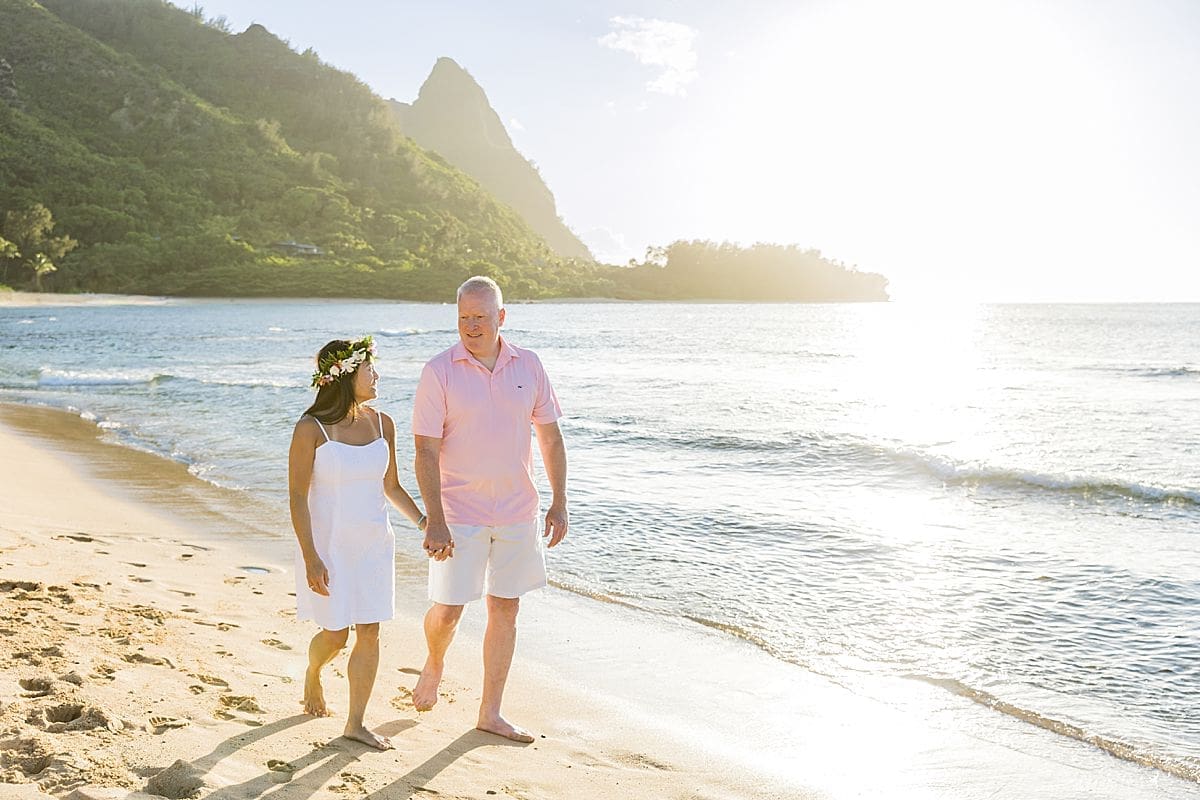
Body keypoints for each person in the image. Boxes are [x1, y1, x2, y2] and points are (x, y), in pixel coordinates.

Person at [411, 276, 569, 743]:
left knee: (506, 608)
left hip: (518, 510)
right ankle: (435, 662)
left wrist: (559, 502)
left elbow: (551, 437)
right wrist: (434, 519)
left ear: (501, 317)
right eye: (463, 318)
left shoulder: (531, 365)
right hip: (459, 513)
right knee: (449, 610)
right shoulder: (439, 370)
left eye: (480, 317)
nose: (471, 326)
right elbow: (424, 451)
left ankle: (490, 712)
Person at [288, 335, 426, 750]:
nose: (377, 375)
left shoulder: (384, 423)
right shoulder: (310, 429)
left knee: (370, 631)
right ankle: (313, 673)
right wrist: (311, 556)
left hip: (373, 545)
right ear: (347, 375)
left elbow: (392, 486)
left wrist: (425, 522)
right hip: (328, 547)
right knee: (335, 636)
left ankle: (355, 722)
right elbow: (297, 495)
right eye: (370, 368)